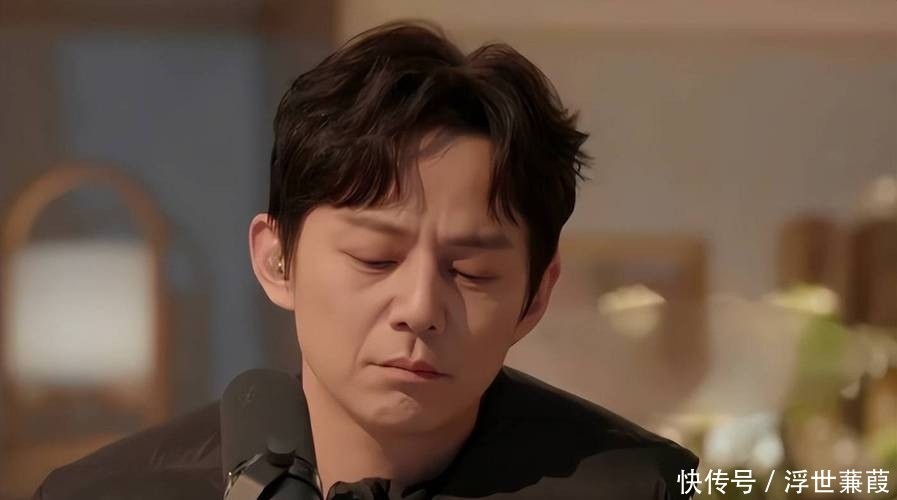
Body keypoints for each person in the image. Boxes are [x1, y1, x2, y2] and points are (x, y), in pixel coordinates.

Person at [33, 21, 698, 500]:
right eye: (375, 258)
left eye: (472, 273)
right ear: (277, 260)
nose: (419, 309)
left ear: (535, 297)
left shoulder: (638, 486)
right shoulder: (107, 491)